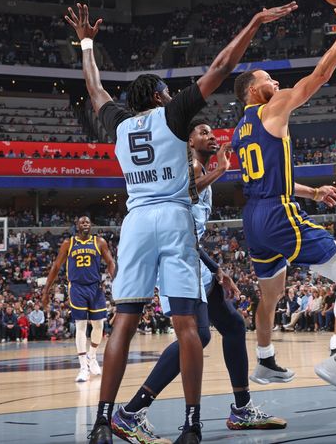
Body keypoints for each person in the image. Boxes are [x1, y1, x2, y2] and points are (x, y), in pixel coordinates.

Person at [67, 0, 297, 444]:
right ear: (158, 96)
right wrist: (252, 23)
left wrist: (86, 43)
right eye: (168, 92)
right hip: (173, 217)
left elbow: (95, 89)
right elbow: (222, 64)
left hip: (134, 221)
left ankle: (101, 423)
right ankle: (191, 427)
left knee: (123, 324)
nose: (174, 97)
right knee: (189, 327)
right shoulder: (172, 115)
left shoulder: (117, 123)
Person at [231, 0, 336, 397]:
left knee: (270, 295)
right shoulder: (271, 107)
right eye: (269, 80)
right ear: (254, 90)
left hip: (254, 217)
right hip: (276, 215)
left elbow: (270, 178)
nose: (277, 84)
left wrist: (312, 191)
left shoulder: (239, 131)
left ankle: (263, 360)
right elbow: (320, 76)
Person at [110, 121, 286, 443]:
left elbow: (191, 233)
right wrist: (221, 170)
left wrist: (218, 269)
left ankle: (242, 409)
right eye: (203, 132)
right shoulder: (189, 167)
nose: (211, 135)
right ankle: (131, 411)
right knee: (200, 335)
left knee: (232, 324)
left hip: (194, 259)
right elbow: (182, 217)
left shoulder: (200, 168)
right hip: (176, 261)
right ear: (189, 139)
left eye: (212, 131)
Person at [42, 216, 115, 383]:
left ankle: (92, 356)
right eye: (82, 222)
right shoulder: (69, 243)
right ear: (77, 225)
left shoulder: (99, 242)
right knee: (81, 326)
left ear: (91, 225)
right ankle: (83, 368)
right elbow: (56, 267)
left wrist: (115, 280)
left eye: (88, 222)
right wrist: (46, 290)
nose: (85, 224)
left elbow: (110, 262)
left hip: (95, 287)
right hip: (76, 288)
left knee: (99, 325)